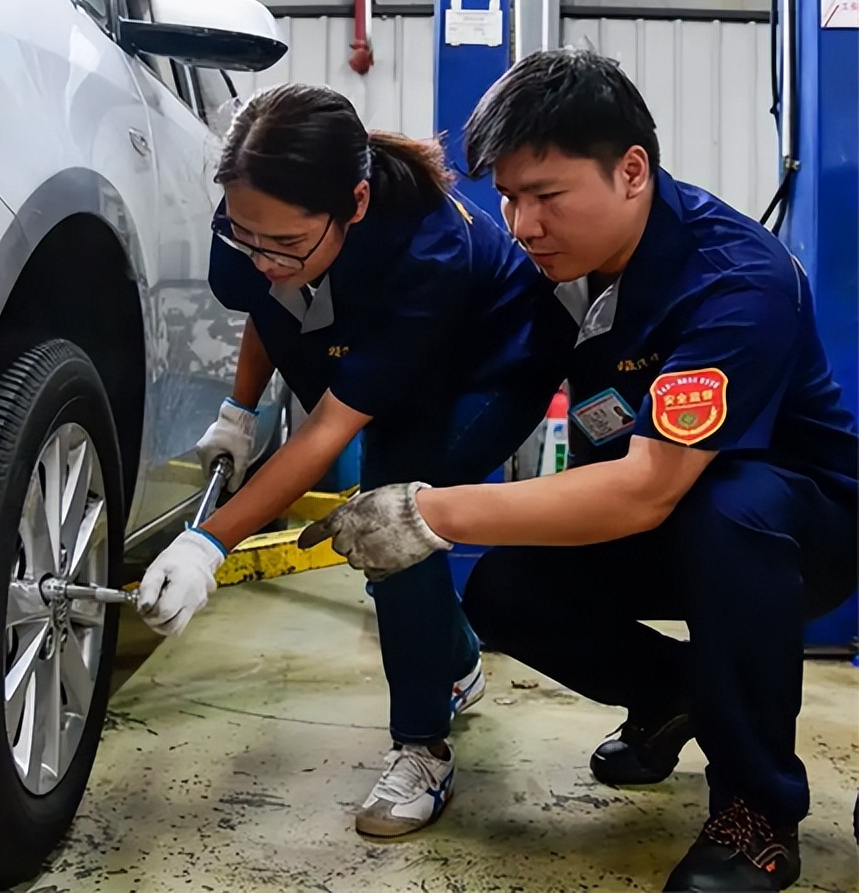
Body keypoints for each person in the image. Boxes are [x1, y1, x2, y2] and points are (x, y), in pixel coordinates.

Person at [299, 50, 857, 891]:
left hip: (797, 532)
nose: (522, 225)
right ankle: (678, 694)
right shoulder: (553, 275)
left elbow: (645, 488)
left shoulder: (736, 283)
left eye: (546, 197)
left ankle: (757, 818)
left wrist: (429, 511)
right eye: (510, 199)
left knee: (730, 507)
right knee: (503, 592)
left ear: (632, 171)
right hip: (665, 522)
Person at [135, 83, 575, 837]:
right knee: (392, 521)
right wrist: (239, 413)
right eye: (247, 236)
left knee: (392, 518)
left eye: (288, 244)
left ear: (358, 203)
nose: (265, 255)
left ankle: (422, 747)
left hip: (489, 364)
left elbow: (328, 431)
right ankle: (457, 664)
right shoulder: (254, 219)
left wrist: (209, 542)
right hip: (386, 355)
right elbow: (267, 307)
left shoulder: (429, 253)